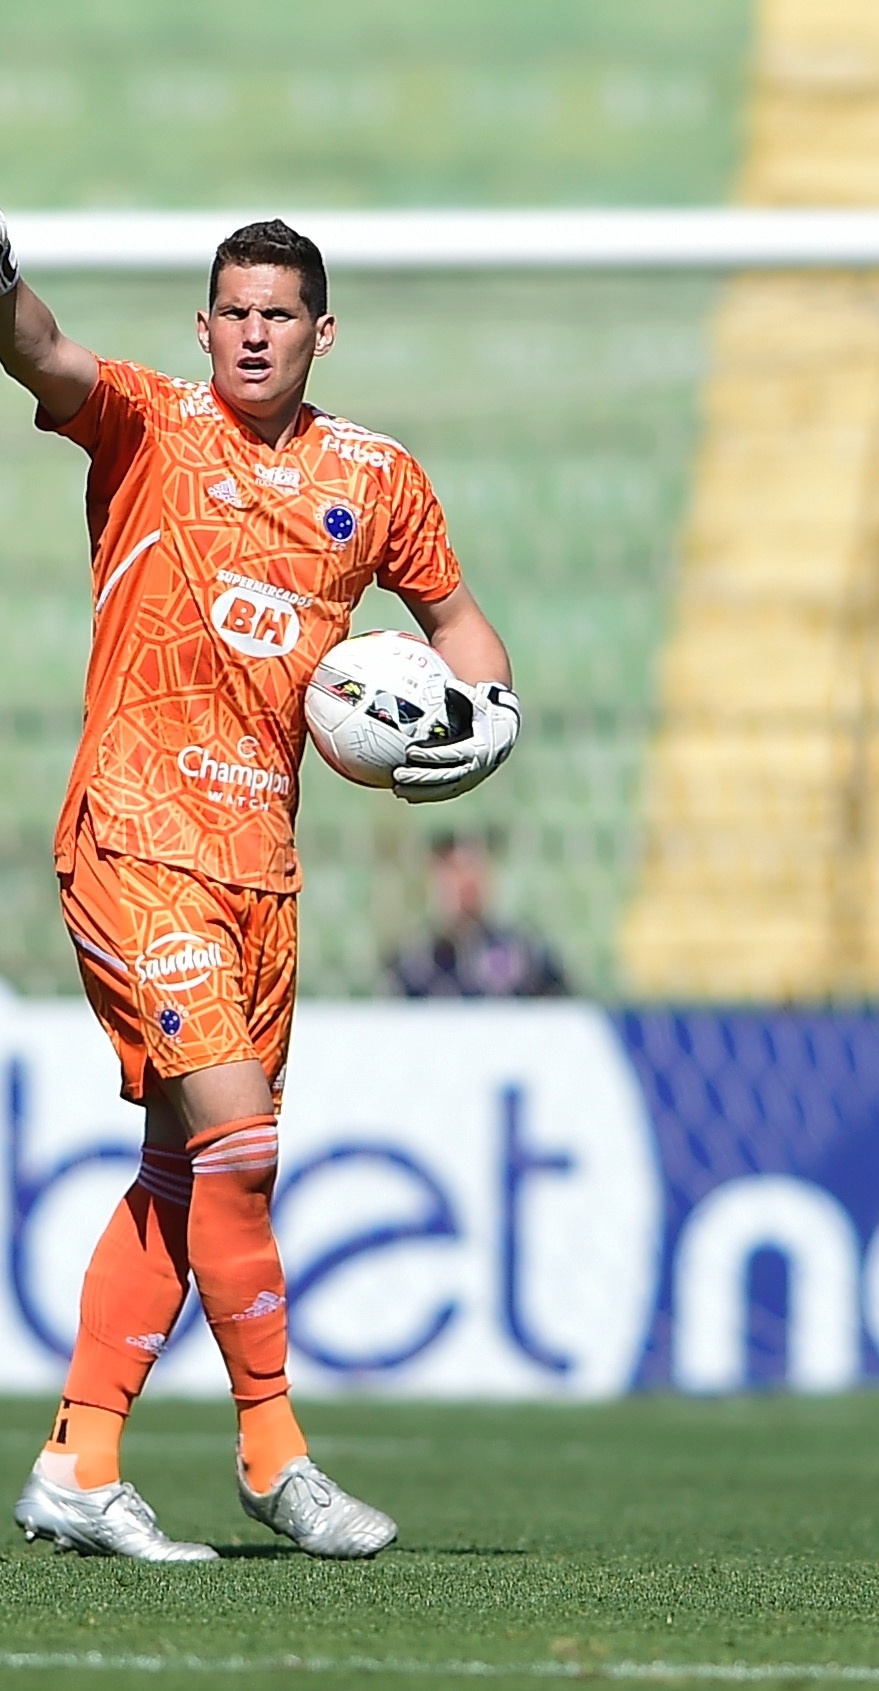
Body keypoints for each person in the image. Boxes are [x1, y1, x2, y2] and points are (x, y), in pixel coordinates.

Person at [0, 214, 521, 1560]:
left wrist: (489, 710)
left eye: (278, 314)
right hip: (135, 831)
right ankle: (277, 1454)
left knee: (188, 1169)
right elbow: (45, 353)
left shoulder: (376, 476)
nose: (251, 330)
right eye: (231, 309)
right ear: (202, 322)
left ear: (320, 331)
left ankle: (78, 1458)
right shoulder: (151, 427)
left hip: (262, 870)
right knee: (239, 1145)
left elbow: (453, 617)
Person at [388, 831, 573, 998]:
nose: (466, 880)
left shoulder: (524, 951)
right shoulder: (413, 958)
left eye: (473, 866)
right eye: (454, 869)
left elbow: (563, 1012)